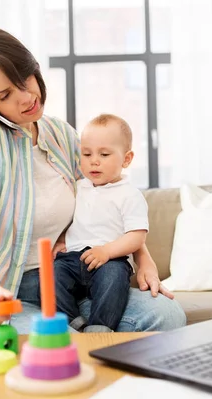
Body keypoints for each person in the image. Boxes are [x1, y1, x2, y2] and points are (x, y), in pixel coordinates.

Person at [0, 25, 186, 389]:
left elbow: (102, 198)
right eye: (6, 95)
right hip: (13, 295)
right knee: (60, 352)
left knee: (166, 316)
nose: (26, 97)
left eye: (25, 78)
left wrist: (143, 256)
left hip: (71, 282)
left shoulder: (59, 133)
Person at [53, 114, 148, 333]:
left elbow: (136, 236)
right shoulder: (79, 187)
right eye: (86, 154)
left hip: (110, 259)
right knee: (50, 276)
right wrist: (60, 240)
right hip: (74, 258)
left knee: (114, 279)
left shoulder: (129, 195)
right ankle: (76, 323)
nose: (94, 160)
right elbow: (67, 218)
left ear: (126, 159)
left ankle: (99, 328)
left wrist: (106, 251)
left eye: (104, 154)